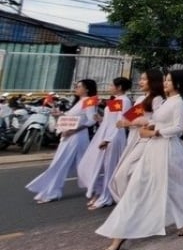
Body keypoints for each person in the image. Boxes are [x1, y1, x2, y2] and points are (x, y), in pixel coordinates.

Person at [96, 70, 183, 250]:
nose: (165, 83)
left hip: (168, 149)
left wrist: (154, 132)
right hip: (153, 147)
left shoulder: (179, 103)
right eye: (165, 80)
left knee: (175, 188)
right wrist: (149, 126)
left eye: (169, 80)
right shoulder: (167, 101)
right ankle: (119, 235)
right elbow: (157, 121)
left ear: (179, 84)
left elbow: (179, 128)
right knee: (138, 186)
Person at [26, 79, 98, 204]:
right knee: (82, 165)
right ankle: (97, 188)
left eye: (79, 86)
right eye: (76, 86)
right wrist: (59, 115)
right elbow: (72, 118)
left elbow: (91, 120)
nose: (76, 88)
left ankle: (52, 192)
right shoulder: (78, 102)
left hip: (77, 137)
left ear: (87, 89)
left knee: (61, 163)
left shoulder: (89, 101)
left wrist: (74, 131)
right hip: (69, 135)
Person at [77, 77, 133, 210]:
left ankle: (106, 197)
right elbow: (110, 119)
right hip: (106, 134)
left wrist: (108, 139)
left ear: (119, 87)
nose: (109, 87)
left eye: (111, 85)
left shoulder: (124, 101)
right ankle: (103, 193)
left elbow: (120, 121)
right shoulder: (116, 100)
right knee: (92, 165)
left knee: (110, 167)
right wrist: (100, 119)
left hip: (114, 137)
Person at [109, 70, 165, 201]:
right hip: (133, 139)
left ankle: (129, 204)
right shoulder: (141, 98)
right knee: (127, 174)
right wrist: (124, 122)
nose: (140, 82)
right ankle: (133, 202)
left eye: (144, 79)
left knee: (124, 174)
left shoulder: (157, 99)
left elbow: (158, 121)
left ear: (153, 81)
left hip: (145, 140)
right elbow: (131, 118)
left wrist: (142, 122)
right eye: (141, 79)